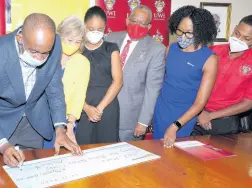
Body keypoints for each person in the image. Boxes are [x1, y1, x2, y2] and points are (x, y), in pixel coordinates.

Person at [0, 13, 81, 167]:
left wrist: (60, 128)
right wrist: (3, 146)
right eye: (34, 52)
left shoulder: (54, 46)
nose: (40, 59)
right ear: (20, 39)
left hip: (34, 121)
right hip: (1, 123)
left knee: (32, 172)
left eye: (45, 53)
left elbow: (54, 90)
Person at [153, 6, 218, 147]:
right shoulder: (171, 48)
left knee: (176, 158)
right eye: (179, 31)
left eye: (189, 33)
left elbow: (200, 103)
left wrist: (176, 125)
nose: (182, 36)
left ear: (200, 32)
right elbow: (164, 80)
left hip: (185, 116)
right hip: (162, 109)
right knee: (156, 152)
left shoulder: (209, 59)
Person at [106, 5, 166, 141]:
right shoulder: (110, 38)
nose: (137, 26)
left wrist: (143, 122)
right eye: (134, 21)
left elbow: (153, 89)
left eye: (143, 23)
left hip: (130, 120)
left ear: (149, 26)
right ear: (127, 19)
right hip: (103, 113)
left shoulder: (156, 50)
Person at [192, 15, 252, 136]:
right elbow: (191, 82)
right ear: (235, 28)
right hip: (195, 112)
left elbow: (248, 103)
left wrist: (210, 116)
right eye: (237, 33)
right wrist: (200, 112)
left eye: (246, 38)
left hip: (224, 121)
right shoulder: (211, 51)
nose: (239, 39)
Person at [76, 6, 123, 144]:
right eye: (91, 29)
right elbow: (71, 85)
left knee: (107, 151)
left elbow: (118, 81)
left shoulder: (111, 48)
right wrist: (86, 107)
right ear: (84, 27)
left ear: (105, 29)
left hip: (107, 108)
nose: (95, 33)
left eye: (100, 30)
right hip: (83, 107)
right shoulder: (78, 50)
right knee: (83, 149)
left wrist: (99, 109)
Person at [43, 16, 90, 148]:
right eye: (70, 40)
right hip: (41, 118)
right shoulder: (46, 55)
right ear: (60, 36)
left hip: (67, 121)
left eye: (77, 41)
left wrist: (70, 123)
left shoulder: (83, 62)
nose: (73, 45)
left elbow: (79, 95)